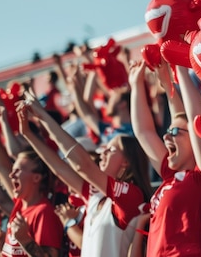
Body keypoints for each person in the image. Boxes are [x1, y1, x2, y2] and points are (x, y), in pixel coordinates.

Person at [16, 93, 152, 257]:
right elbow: (59, 168)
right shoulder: (95, 195)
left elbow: (83, 166)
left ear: (126, 162)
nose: (103, 151)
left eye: (112, 148)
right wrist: (28, 135)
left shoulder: (132, 195)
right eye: (105, 147)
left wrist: (43, 116)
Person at [129, 60, 201, 257]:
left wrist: (180, 68)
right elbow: (144, 132)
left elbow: (197, 118)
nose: (166, 136)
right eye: (167, 131)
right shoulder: (172, 176)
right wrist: (137, 85)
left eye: (174, 132)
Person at [0, 108, 63, 257]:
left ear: (36, 178)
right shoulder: (20, 207)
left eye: (18, 170)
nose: (11, 175)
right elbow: (1, 168)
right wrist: (1, 245)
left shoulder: (43, 212)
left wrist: (25, 240)